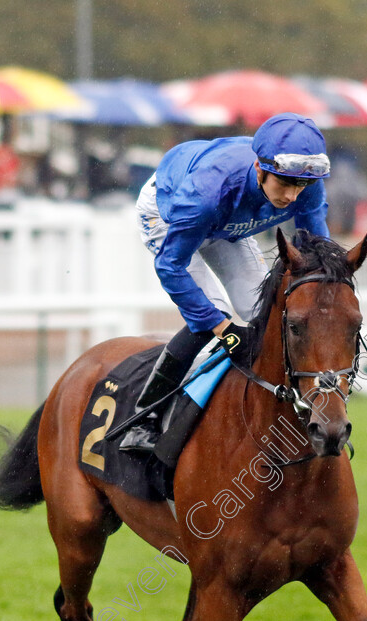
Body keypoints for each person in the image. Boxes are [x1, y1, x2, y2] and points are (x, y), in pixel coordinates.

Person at [122, 112, 331, 449]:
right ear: (260, 168)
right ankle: (143, 418)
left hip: (226, 219)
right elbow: (170, 266)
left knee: (268, 310)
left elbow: (318, 249)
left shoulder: (304, 180)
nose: (293, 196)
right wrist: (223, 328)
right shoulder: (203, 197)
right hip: (173, 213)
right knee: (208, 320)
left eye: (301, 186)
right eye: (284, 184)